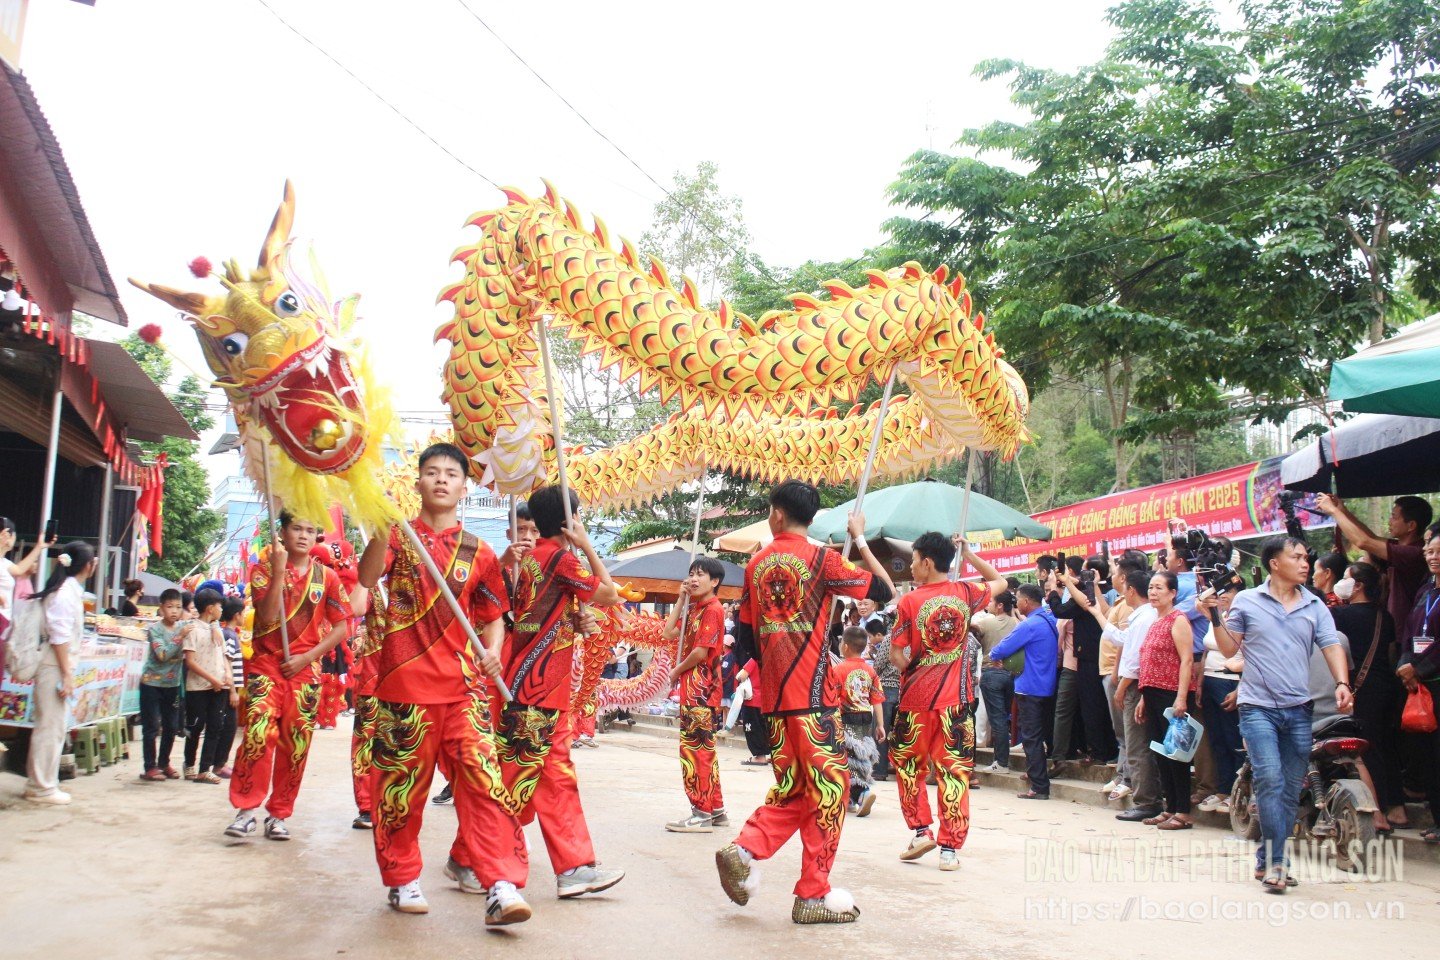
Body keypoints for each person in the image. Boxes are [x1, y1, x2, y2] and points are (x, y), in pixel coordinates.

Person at [355, 442, 524, 919]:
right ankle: (403, 878)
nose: (442, 479)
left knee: (485, 782)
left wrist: (491, 651)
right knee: (401, 790)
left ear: (464, 487)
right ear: (419, 482)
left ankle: (500, 883)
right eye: (432, 472)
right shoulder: (398, 535)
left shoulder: (479, 551)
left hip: (463, 689)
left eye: (451, 473)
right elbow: (367, 578)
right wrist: (378, 526)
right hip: (403, 687)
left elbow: (492, 614)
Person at [715, 481, 894, 925]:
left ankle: (745, 850)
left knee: (798, 789)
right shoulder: (822, 560)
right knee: (831, 792)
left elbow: (748, 639)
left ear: (777, 514)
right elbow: (885, 589)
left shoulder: (755, 563)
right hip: (815, 701)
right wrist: (860, 539)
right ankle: (811, 893)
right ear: (810, 518)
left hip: (777, 703)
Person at [488, 484, 625, 904]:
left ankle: (574, 868)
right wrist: (585, 545)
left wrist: (573, 618)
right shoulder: (561, 559)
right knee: (512, 783)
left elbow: (546, 612)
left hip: (541, 689)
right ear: (569, 522)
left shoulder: (532, 560)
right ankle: (475, 859)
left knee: (556, 781)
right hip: (537, 689)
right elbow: (609, 593)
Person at [1201, 535, 1352, 892]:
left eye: (1305, 558)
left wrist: (1342, 682)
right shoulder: (1248, 601)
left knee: (1288, 789)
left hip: (1299, 708)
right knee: (1269, 778)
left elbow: (1331, 644)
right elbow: (1228, 648)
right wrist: (1214, 615)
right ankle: (1277, 861)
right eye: (1296, 557)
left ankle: (1267, 858)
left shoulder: (1314, 604)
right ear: (1274, 563)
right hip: (1257, 707)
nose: (1304, 563)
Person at [225, 510, 350, 843]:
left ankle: (279, 813)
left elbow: (341, 627)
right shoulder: (264, 569)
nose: (304, 535)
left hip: (305, 672)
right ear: (281, 532)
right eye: (297, 528)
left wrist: (308, 657)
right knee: (257, 734)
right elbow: (266, 616)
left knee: (295, 746)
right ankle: (246, 810)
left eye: (310, 530)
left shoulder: (327, 577)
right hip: (266, 667)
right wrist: (280, 571)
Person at [888, 533, 1006, 870]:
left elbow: (896, 654)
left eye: (913, 561)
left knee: (908, 767)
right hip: (956, 703)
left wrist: (912, 668)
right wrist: (969, 554)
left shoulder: (909, 602)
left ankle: (921, 830)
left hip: (915, 702)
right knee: (954, 772)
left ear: (927, 562)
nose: (911, 567)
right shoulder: (966, 593)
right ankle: (949, 850)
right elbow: (1000, 581)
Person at [23, 541, 95, 804]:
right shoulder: (65, 593)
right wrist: (66, 674)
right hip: (54, 666)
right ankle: (41, 786)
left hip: (56, 665)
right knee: (50, 728)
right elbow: (59, 637)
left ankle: (41, 782)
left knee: (52, 726)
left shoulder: (66, 590)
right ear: (88, 566)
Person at [663, 556, 729, 832]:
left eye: (700, 574)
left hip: (701, 690)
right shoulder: (695, 609)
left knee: (695, 752)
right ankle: (716, 809)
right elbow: (668, 633)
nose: (693, 578)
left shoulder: (713, 609)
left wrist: (676, 671)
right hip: (695, 689)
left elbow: (701, 652)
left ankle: (701, 812)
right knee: (704, 750)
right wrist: (681, 599)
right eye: (691, 573)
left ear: (714, 581)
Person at [1315, 493, 1433, 640]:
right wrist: (1343, 510)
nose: (1389, 521)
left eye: (1394, 517)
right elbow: (1370, 538)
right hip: (1395, 627)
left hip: (1406, 630)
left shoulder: (1414, 553)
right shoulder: (1400, 546)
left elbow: (1363, 541)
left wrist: (1334, 511)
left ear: (1411, 525)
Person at [1134, 571, 1198, 829]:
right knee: (1161, 753)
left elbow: (1187, 660)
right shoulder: (1156, 621)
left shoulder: (1178, 619)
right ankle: (1169, 807)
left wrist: (1181, 698)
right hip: (1152, 694)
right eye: (1151, 587)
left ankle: (1183, 812)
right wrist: (1143, 698)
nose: (1153, 592)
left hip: (1172, 694)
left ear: (1173, 593)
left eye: (1159, 587)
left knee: (1177, 755)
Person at [988, 584, 1058, 799]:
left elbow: (1001, 648)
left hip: (1029, 687)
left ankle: (1039, 786)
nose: (1016, 602)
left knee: (1031, 737)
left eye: (1018, 598)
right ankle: (1037, 777)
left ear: (1026, 602)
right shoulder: (1050, 619)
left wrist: (996, 656)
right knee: (1040, 735)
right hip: (1047, 685)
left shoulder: (1029, 625)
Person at [1049, 556, 1118, 763]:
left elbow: (1060, 611)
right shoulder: (1102, 593)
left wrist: (1054, 590)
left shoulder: (1088, 596)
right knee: (1097, 706)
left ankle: (1098, 752)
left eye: (1085, 573)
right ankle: (1104, 750)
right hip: (1096, 654)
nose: (1080, 577)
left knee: (1091, 706)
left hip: (1088, 656)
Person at [1397, 539, 1440, 844]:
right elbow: (1409, 633)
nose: (1433, 557)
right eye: (1429, 551)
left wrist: (1420, 669)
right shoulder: (1425, 591)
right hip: (1419, 685)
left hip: (1433, 678)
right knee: (1428, 756)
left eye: (1439, 552)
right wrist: (1404, 663)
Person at [1196, 579, 1247, 816]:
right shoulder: (1216, 617)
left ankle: (1239, 791)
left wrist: (1241, 689)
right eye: (1221, 592)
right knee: (1216, 739)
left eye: (1230, 592)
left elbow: (1253, 656)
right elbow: (1207, 651)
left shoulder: (1243, 618)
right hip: (1210, 680)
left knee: (1233, 739)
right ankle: (1223, 790)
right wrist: (1200, 684)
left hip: (1231, 682)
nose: (1224, 596)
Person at [832, 626, 886, 817]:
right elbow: (877, 700)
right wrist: (880, 725)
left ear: (845, 647)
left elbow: (833, 698)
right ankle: (849, 799)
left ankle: (862, 793)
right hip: (866, 718)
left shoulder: (838, 669)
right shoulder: (870, 671)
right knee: (861, 756)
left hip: (846, 718)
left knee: (846, 758)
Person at [181, 589, 233, 785]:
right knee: (195, 727)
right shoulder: (193, 629)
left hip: (219, 686)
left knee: (215, 727)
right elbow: (190, 662)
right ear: (210, 608)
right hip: (198, 688)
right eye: (219, 606)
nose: (222, 610)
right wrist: (212, 679)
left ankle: (205, 769)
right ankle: (189, 764)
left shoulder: (217, 629)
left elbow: (224, 655)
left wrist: (227, 674)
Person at [138, 588, 186, 781]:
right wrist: (180, 637)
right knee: (151, 726)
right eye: (170, 607)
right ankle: (150, 767)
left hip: (172, 685)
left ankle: (164, 763)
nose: (174, 611)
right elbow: (163, 654)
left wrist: (215, 628)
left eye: (178, 607)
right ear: (161, 608)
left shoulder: (183, 625)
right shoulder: (154, 629)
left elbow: (203, 623)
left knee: (171, 727)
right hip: (151, 683)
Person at [974, 591, 1019, 772]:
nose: (988, 604)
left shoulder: (986, 622)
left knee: (997, 720)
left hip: (991, 673)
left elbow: (970, 628)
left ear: (1000, 605)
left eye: (991, 601)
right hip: (1010, 674)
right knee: (1003, 718)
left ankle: (1001, 762)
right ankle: (1000, 760)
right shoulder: (1016, 623)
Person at [865, 617, 901, 780]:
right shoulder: (910, 636)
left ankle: (879, 770)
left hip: (886, 687)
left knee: (881, 728)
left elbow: (878, 665)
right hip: (902, 687)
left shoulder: (890, 638)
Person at [216, 598, 247, 779]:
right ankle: (219, 764)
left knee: (228, 727)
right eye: (243, 613)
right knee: (228, 728)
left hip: (230, 689)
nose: (244, 617)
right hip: (228, 690)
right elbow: (227, 663)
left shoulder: (229, 634)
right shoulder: (229, 635)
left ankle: (220, 763)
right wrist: (233, 691)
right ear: (237, 615)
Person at [733, 655, 769, 765]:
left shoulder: (753, 660)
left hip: (752, 699)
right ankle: (770, 755)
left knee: (752, 729)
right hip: (766, 700)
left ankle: (759, 756)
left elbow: (741, 676)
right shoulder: (769, 659)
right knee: (764, 729)